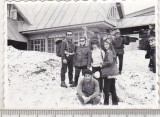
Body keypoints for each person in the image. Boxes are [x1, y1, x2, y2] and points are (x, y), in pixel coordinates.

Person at [101, 40, 119, 105]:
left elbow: (109, 62)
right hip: (112, 73)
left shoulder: (109, 52)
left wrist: (102, 64)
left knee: (106, 89)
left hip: (108, 73)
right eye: (104, 44)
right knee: (112, 89)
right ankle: (115, 103)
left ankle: (106, 104)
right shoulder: (111, 51)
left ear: (110, 45)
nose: (105, 46)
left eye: (107, 44)